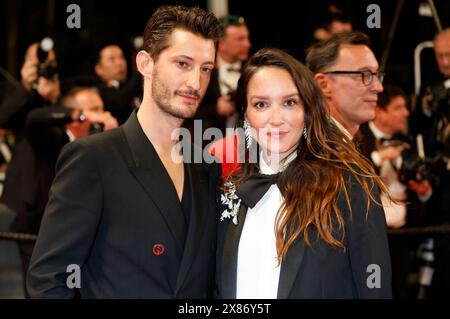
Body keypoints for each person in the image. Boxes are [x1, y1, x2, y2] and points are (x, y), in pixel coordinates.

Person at [27, 5, 223, 298]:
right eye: (183, 63)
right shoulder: (93, 158)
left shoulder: (206, 166)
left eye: (205, 69)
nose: (195, 82)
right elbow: (48, 281)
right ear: (145, 64)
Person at [215, 48, 392, 299]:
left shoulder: (350, 186)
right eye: (261, 104)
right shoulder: (230, 193)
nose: (276, 119)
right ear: (245, 115)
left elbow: (375, 291)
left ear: (307, 111)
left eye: (289, 102)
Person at [306, 31, 384, 140]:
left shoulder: (359, 141)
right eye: (364, 75)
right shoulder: (311, 151)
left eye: (377, 75)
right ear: (323, 85)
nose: (379, 87)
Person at [191, 14, 251, 135]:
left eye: (247, 38)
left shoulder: (253, 69)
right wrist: (216, 109)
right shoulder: (203, 70)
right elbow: (189, 113)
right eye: (240, 39)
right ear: (222, 44)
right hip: (210, 143)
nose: (247, 44)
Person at [94, 43, 142, 125]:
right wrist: (141, 71)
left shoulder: (135, 85)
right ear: (99, 69)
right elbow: (118, 101)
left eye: (122, 57)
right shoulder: (97, 92)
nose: (119, 63)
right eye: (112, 59)